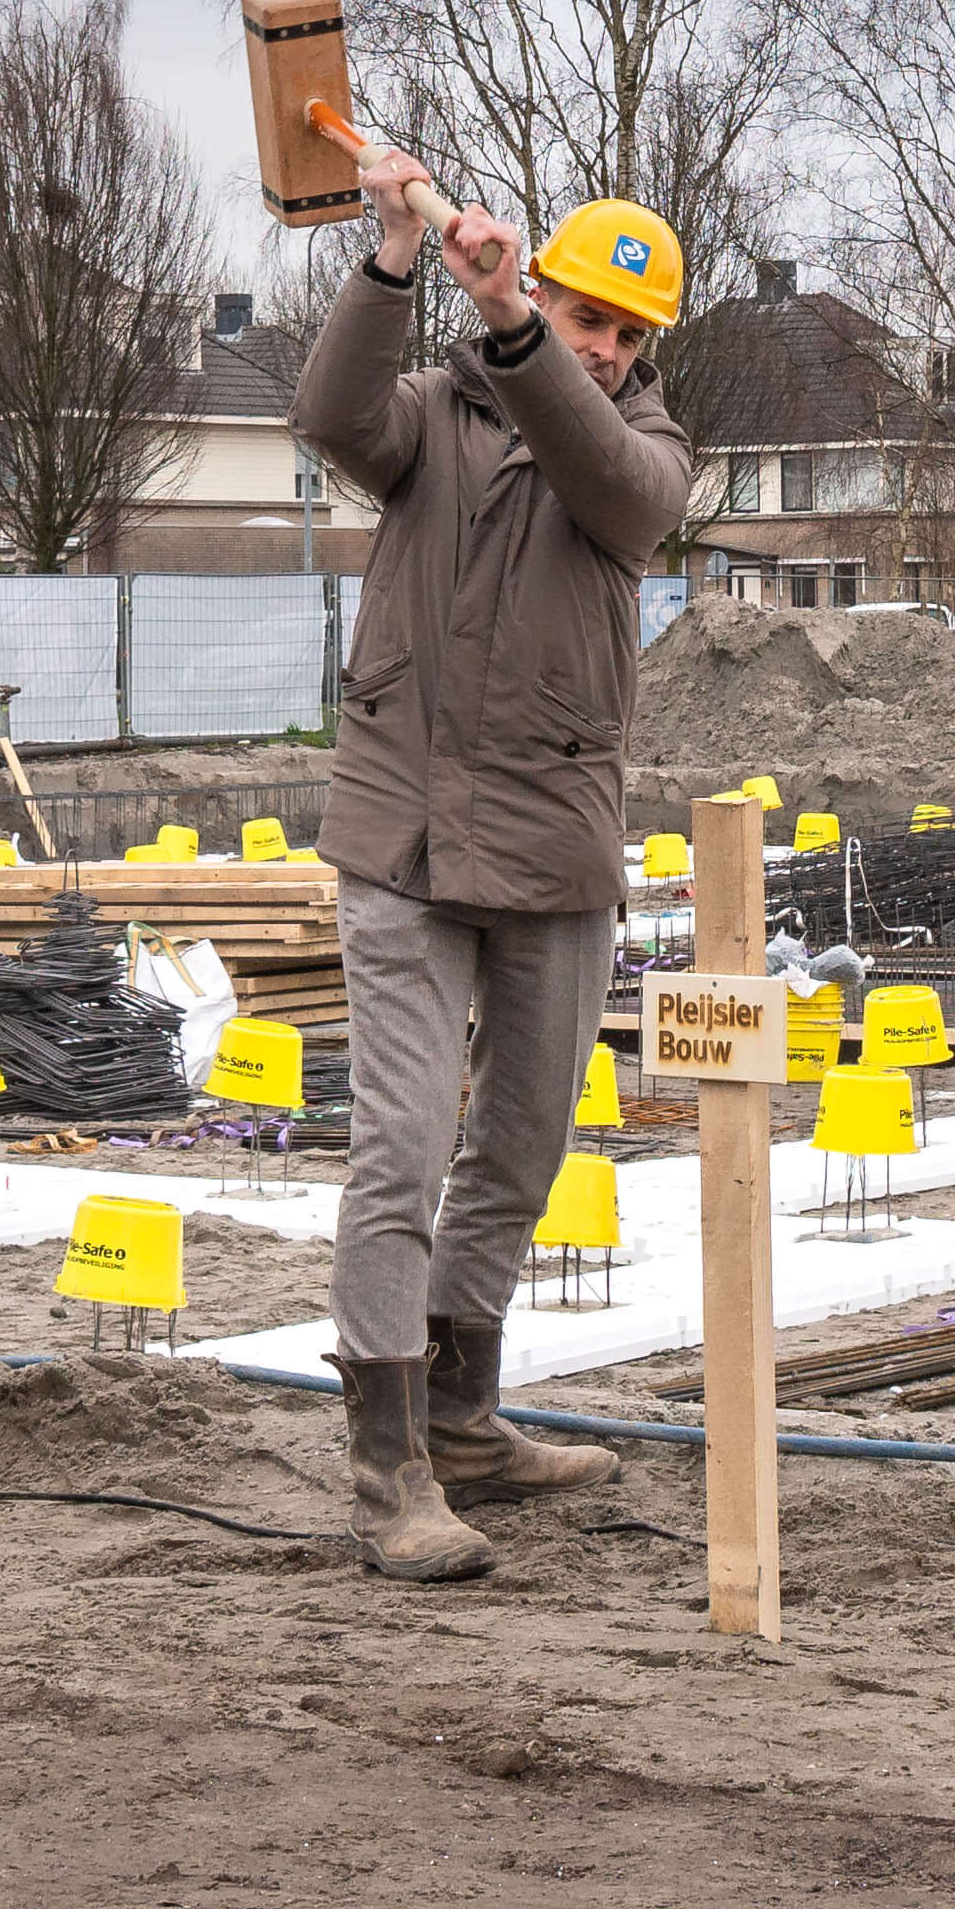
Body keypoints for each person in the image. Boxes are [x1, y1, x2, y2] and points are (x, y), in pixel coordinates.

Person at [290, 136, 699, 1585]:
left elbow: (613, 487)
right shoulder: (429, 414)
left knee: (517, 1151)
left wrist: (520, 327)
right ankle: (390, 1462)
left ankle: (464, 1417)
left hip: (554, 840)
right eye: (582, 313)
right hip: (402, 833)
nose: (598, 343)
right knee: (401, 1142)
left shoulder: (646, 456)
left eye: (619, 331)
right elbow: (328, 412)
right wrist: (393, 259)